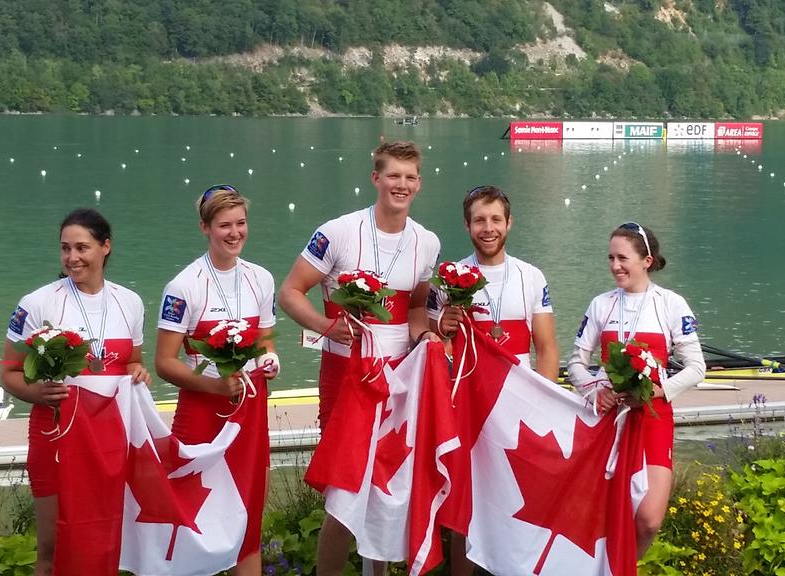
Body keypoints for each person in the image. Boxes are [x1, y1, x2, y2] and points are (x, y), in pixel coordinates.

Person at [278, 140, 441, 576]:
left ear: (419, 183)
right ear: (376, 178)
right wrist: (326, 325)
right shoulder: (338, 231)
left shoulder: (427, 242)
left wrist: (428, 336)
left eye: (409, 177)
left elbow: (415, 309)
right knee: (343, 497)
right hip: (345, 374)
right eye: (393, 176)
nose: (400, 185)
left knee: (386, 491)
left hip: (398, 383)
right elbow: (290, 293)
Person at [0, 208, 150, 576]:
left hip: (109, 441)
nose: (72, 257)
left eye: (82, 247)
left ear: (105, 247)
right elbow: (10, 372)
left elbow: (131, 362)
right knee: (52, 548)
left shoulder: (128, 302)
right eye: (65, 248)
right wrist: (39, 393)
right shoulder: (37, 303)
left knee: (106, 541)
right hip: (56, 438)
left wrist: (138, 372)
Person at [427, 185, 559, 575]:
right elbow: (434, 341)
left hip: (518, 407)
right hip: (467, 405)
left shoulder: (531, 277)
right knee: (465, 507)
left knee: (518, 501)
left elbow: (547, 347)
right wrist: (442, 325)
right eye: (479, 220)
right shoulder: (450, 278)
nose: (488, 228)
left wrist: (544, 404)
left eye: (496, 219)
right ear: (467, 226)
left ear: (509, 223)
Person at [154, 184, 278, 576]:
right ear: (205, 228)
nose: (235, 233)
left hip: (249, 413)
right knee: (196, 524)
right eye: (224, 225)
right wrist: (214, 387)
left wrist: (270, 357)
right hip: (202, 412)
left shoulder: (261, 278)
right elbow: (164, 363)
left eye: (241, 223)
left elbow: (265, 339)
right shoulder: (183, 286)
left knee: (246, 519)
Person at [567, 222, 705, 558]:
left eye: (623, 258)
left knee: (648, 521)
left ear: (647, 260)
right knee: (600, 516)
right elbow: (575, 364)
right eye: (611, 258)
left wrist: (658, 391)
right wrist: (593, 390)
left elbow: (696, 368)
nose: (615, 266)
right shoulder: (601, 305)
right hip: (607, 419)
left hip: (653, 416)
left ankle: (624, 565)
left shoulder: (671, 304)